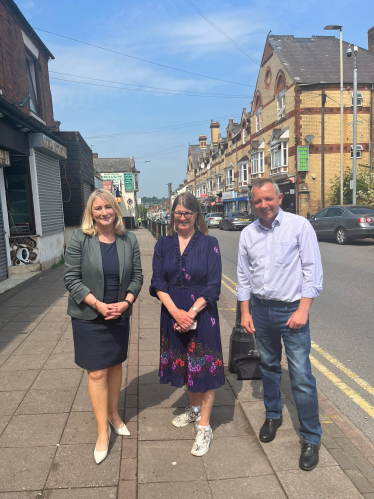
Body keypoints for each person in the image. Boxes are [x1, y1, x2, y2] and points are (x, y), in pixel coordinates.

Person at [237, 179, 323, 472]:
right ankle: (273, 415)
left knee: (300, 375)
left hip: (292, 312)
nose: (263, 205)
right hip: (260, 311)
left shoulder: (300, 227)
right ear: (253, 204)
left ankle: (311, 437)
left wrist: (303, 309)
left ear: (280, 198)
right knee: (269, 368)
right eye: (258, 201)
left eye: (268, 199)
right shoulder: (248, 233)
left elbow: (312, 271)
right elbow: (244, 276)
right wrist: (245, 313)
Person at [64, 189, 143, 464]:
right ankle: (102, 432)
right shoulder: (80, 239)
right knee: (97, 372)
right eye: (97, 208)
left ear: (115, 209)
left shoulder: (128, 239)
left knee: (116, 365)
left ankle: (114, 415)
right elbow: (71, 278)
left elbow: (137, 277)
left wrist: (126, 303)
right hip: (89, 315)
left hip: (118, 316)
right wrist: (98, 304)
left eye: (107, 207)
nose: (103, 212)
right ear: (91, 212)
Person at [150, 192, 224, 457]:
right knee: (184, 365)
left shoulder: (209, 243)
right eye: (178, 213)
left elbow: (214, 285)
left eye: (187, 213)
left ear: (196, 216)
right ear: (172, 215)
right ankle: (194, 411)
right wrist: (176, 313)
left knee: (203, 369)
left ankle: (205, 427)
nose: (182, 217)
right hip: (172, 313)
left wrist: (190, 313)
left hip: (201, 313)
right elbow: (157, 282)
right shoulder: (162, 244)